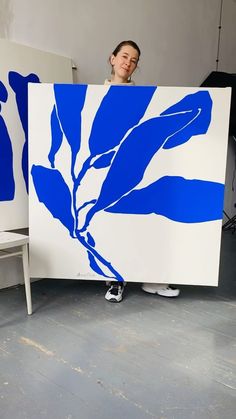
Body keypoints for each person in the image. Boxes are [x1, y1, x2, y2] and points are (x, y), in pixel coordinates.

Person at [104, 40, 180, 302]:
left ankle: (152, 279)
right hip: (105, 168)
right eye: (124, 56)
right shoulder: (93, 96)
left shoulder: (146, 97)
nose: (128, 62)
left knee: (147, 220)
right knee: (113, 224)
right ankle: (116, 281)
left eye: (134, 60)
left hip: (136, 165)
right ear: (112, 58)